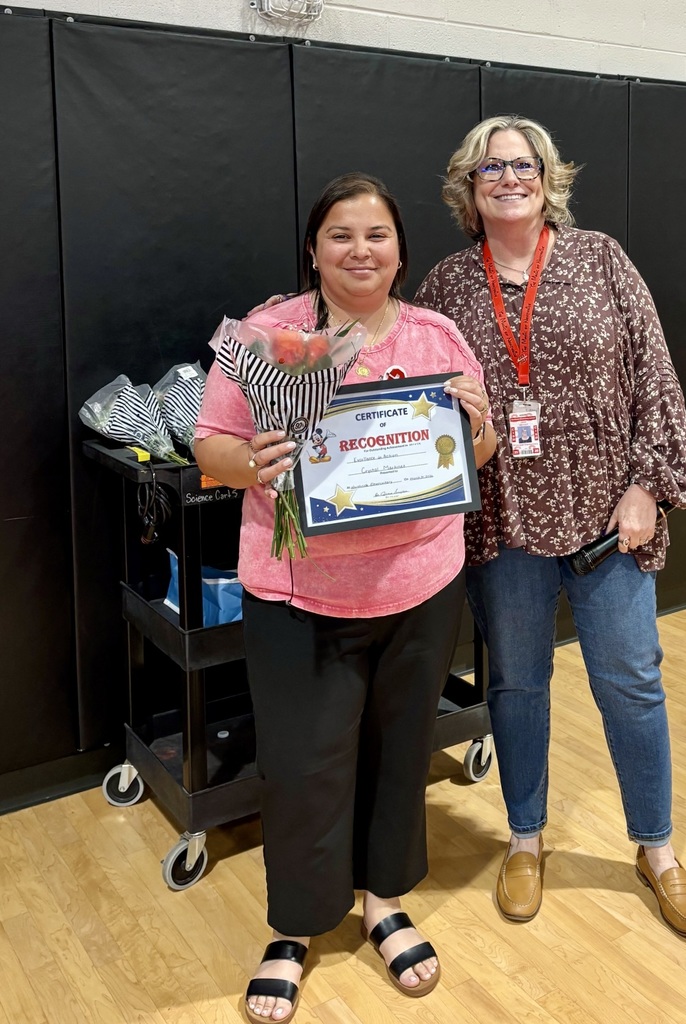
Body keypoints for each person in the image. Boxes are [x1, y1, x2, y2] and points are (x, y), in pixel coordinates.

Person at [194, 172, 496, 1024]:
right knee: (301, 768)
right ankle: (294, 928)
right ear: (313, 249)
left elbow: (479, 453)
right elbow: (209, 443)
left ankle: (386, 902)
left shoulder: (438, 337)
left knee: (402, 751)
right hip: (299, 593)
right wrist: (253, 463)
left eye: (377, 235)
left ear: (401, 250)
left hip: (419, 585)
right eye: (341, 235)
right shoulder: (269, 335)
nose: (361, 251)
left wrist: (474, 426)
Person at [413, 114, 686, 940]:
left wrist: (650, 485)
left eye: (525, 165)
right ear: (468, 187)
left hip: (606, 511)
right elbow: (409, 390)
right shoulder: (444, 286)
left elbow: (656, 372)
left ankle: (656, 849)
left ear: (549, 178)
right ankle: (525, 836)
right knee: (515, 681)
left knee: (632, 683)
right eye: (492, 168)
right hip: (503, 520)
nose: (510, 179)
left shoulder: (601, 258)